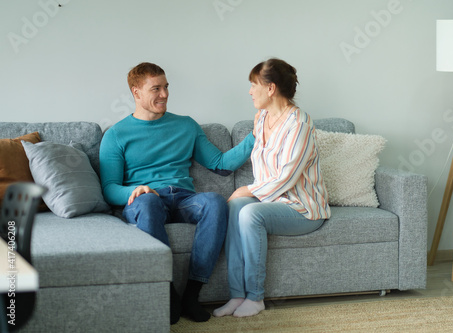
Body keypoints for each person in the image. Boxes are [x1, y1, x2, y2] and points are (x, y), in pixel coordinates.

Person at [99, 62, 255, 324]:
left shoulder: (186, 125)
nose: (164, 94)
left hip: (183, 198)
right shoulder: (116, 135)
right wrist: (135, 190)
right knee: (148, 203)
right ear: (136, 93)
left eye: (166, 87)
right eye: (156, 89)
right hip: (145, 201)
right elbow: (109, 189)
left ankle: (191, 296)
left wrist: (256, 136)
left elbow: (221, 165)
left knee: (215, 202)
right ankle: (168, 294)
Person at [213, 58, 331, 318]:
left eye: (254, 84)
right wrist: (245, 194)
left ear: (270, 88)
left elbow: (286, 177)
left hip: (303, 208)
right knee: (234, 206)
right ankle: (237, 294)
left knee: (250, 212)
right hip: (273, 203)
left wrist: (249, 189)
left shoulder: (299, 124)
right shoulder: (261, 118)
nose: (249, 91)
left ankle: (255, 298)